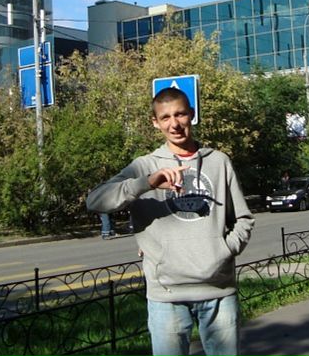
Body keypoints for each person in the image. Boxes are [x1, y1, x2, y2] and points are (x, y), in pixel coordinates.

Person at [87, 87, 254, 356]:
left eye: (180, 114)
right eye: (165, 117)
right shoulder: (144, 166)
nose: (174, 124)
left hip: (219, 291)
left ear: (192, 114)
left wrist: (224, 250)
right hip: (166, 296)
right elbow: (95, 200)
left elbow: (243, 219)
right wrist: (147, 183)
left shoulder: (218, 162)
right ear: (155, 122)